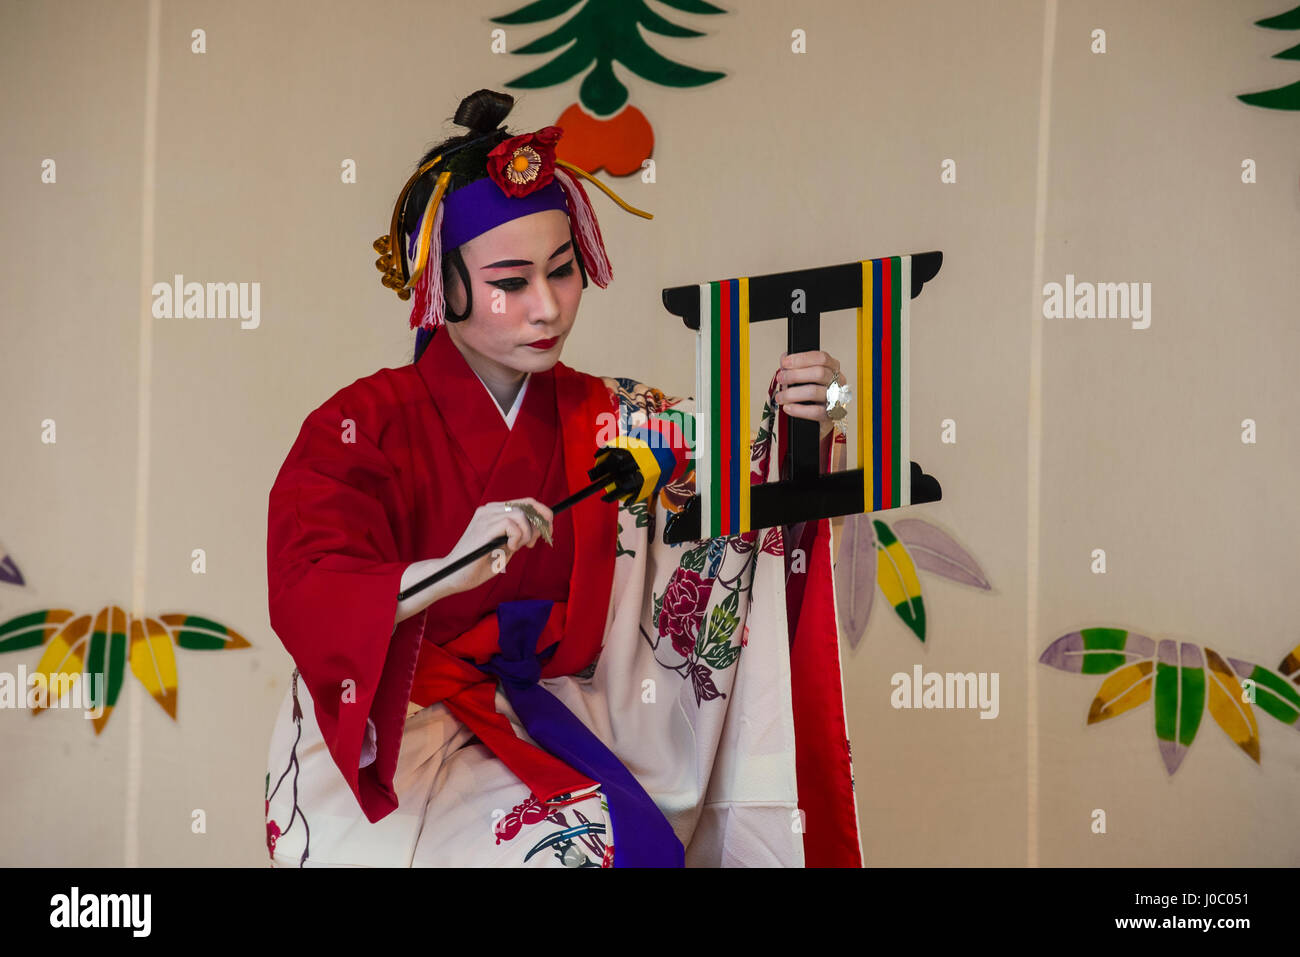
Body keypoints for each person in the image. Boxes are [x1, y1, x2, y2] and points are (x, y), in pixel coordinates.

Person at [264, 89, 861, 867]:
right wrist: (440, 573)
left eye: (563, 270)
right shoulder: (360, 427)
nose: (546, 308)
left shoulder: (609, 416)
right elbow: (314, 585)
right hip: (395, 742)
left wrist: (811, 414)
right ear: (441, 288)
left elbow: (744, 487)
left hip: (565, 719)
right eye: (510, 282)